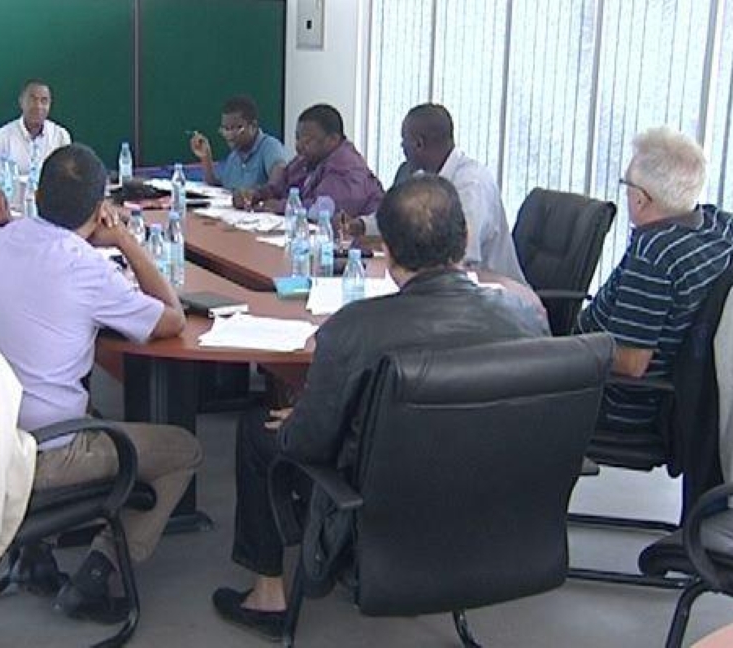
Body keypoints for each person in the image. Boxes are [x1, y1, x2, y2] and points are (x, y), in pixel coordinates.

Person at [212, 175, 547, 640]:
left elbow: (307, 444)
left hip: (380, 509)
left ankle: (267, 595)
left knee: (258, 428)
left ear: (386, 251)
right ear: (465, 238)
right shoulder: (525, 316)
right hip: (493, 508)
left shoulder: (353, 328)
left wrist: (303, 417)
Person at [0, 143, 202, 622]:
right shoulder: (86, 267)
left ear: (37, 194)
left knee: (81, 404)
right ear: (99, 210)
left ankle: (35, 554)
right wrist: (126, 241)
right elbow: (173, 319)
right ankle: (98, 575)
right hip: (44, 452)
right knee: (183, 450)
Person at [576, 126, 733, 431]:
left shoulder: (655, 253)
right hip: (661, 392)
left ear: (641, 199)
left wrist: (571, 351)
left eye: (626, 184)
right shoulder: (719, 223)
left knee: (506, 388)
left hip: (611, 401)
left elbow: (631, 364)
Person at [349, 103, 526, 283]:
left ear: (419, 143)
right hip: (448, 285)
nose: (402, 146)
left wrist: (391, 249)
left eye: (404, 140)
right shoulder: (423, 177)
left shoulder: (472, 184)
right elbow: (398, 217)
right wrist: (362, 226)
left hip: (493, 290)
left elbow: (462, 255)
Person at [241, 104, 383, 218]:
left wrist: (279, 206)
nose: (299, 146)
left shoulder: (347, 166)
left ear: (333, 139)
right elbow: (280, 186)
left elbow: (323, 210)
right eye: (297, 138)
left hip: (360, 242)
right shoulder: (306, 159)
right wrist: (255, 195)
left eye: (307, 141)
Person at [189, 95, 290, 191]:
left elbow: (278, 181)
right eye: (226, 129)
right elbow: (220, 189)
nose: (229, 135)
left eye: (235, 128)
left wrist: (254, 194)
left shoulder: (270, 147)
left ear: (253, 126)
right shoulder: (234, 157)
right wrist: (206, 157)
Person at [0, 79, 71, 176]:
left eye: (44, 101)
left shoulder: (60, 136)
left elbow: (67, 177)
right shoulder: (1, 137)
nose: (38, 106)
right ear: (21, 102)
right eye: (33, 100)